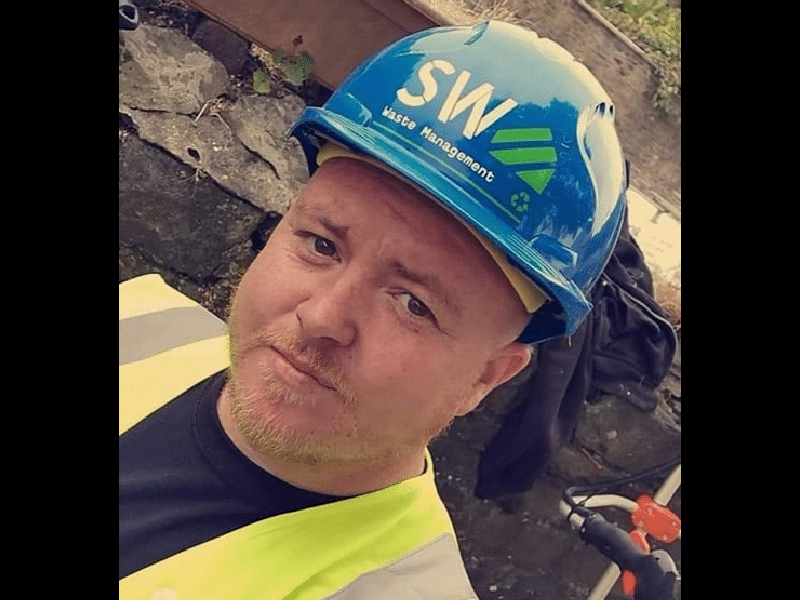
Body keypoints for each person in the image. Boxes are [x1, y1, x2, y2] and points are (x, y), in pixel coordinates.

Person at [119, 19, 628, 600]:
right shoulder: (141, 318)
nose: (323, 318)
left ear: (485, 378)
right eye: (321, 244)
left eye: (414, 304)